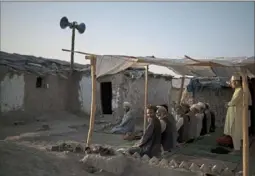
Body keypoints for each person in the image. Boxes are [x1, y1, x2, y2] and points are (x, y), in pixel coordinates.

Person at [220, 75, 252, 152]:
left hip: (236, 114)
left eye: (232, 82)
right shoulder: (238, 90)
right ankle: (237, 147)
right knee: (235, 132)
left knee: (236, 132)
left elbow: (234, 102)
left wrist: (227, 104)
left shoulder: (240, 90)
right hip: (235, 114)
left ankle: (237, 149)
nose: (231, 84)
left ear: (236, 82)